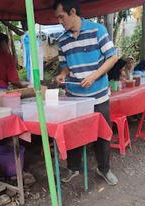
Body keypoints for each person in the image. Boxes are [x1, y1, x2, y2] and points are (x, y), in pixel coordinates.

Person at [54, 0, 118, 185]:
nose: (59, 21)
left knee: (102, 133)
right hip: (74, 97)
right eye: (58, 17)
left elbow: (112, 57)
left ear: (72, 11)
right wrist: (62, 74)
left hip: (98, 94)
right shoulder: (62, 40)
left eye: (61, 16)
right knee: (73, 133)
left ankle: (104, 169)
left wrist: (94, 76)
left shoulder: (97, 30)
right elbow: (65, 67)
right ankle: (74, 168)